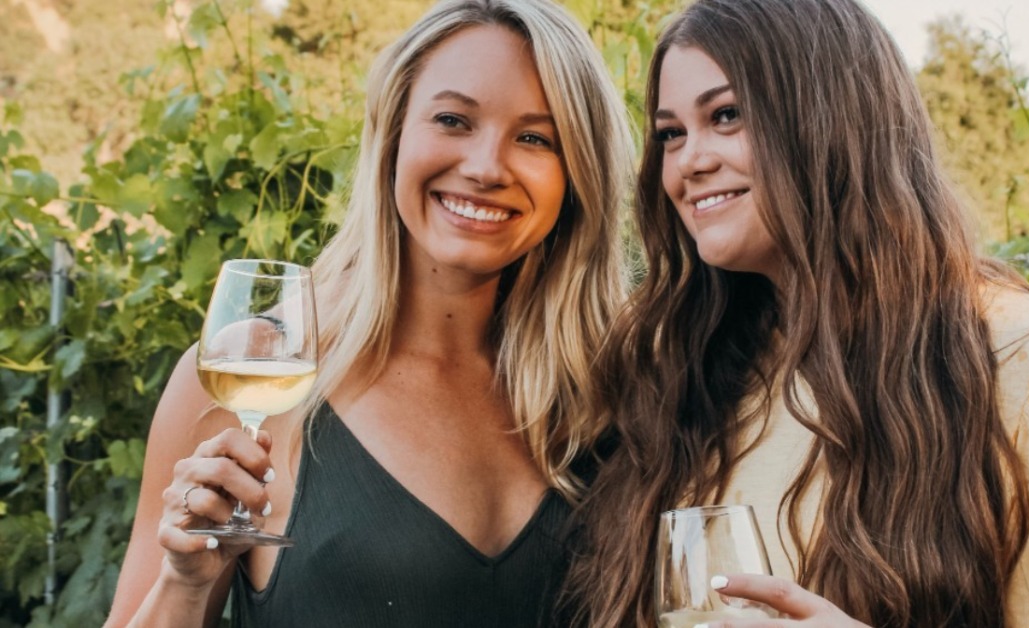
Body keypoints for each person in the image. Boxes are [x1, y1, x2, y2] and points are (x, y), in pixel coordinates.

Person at [560, 0, 1029, 626]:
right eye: (671, 133)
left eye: (727, 115)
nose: (690, 161)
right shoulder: (687, 374)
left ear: (833, 121)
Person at [105, 0, 633, 625]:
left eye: (534, 138)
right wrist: (185, 581)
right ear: (393, 134)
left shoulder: (619, 387)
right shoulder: (254, 372)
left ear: (576, 173)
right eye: (453, 120)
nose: (488, 166)